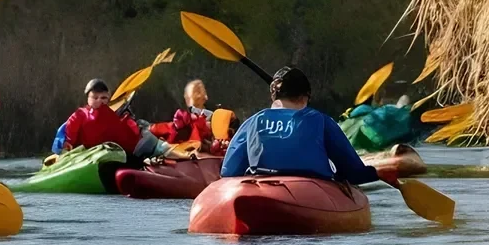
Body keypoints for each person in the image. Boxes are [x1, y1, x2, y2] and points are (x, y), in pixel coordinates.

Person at [220, 67, 399, 186]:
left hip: (259, 186)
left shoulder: (252, 122)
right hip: (312, 188)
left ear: (273, 97)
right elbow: (354, 173)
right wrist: (379, 174)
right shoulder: (321, 121)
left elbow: (228, 172)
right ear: (306, 97)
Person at [165, 79, 221, 156]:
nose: (197, 94)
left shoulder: (216, 114)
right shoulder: (181, 118)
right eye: (195, 91)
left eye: (199, 90)